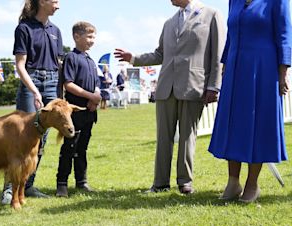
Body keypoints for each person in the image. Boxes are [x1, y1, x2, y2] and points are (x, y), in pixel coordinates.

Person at [114, 0, 225, 194]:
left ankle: (185, 182)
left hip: (194, 86)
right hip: (166, 88)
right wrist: (134, 58)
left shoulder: (212, 15)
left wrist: (214, 86)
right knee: (163, 137)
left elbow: (218, 55)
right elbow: (159, 54)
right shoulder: (169, 22)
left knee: (187, 136)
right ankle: (160, 183)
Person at [208, 0, 291, 203]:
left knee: (259, 124)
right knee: (233, 123)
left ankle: (252, 184)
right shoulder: (233, 1)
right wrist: (225, 68)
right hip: (235, 69)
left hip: (264, 69)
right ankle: (233, 182)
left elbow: (284, 34)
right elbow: (230, 37)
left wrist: (283, 73)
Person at [0, 0, 63, 204]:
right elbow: (20, 65)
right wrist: (34, 90)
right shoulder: (24, 28)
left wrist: (60, 95)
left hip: (52, 83)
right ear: (42, 2)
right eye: (55, 1)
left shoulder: (56, 31)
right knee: (21, 138)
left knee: (41, 139)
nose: (58, 6)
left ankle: (27, 185)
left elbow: (58, 64)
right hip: (31, 82)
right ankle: (9, 189)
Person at [55, 21, 101, 197]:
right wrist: (89, 97)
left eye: (93, 37)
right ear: (76, 36)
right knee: (69, 147)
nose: (92, 40)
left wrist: (95, 99)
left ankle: (81, 182)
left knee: (82, 149)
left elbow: (96, 85)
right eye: (89, 37)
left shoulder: (90, 60)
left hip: (90, 112)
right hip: (75, 113)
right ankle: (62, 184)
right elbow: (69, 84)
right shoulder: (72, 58)